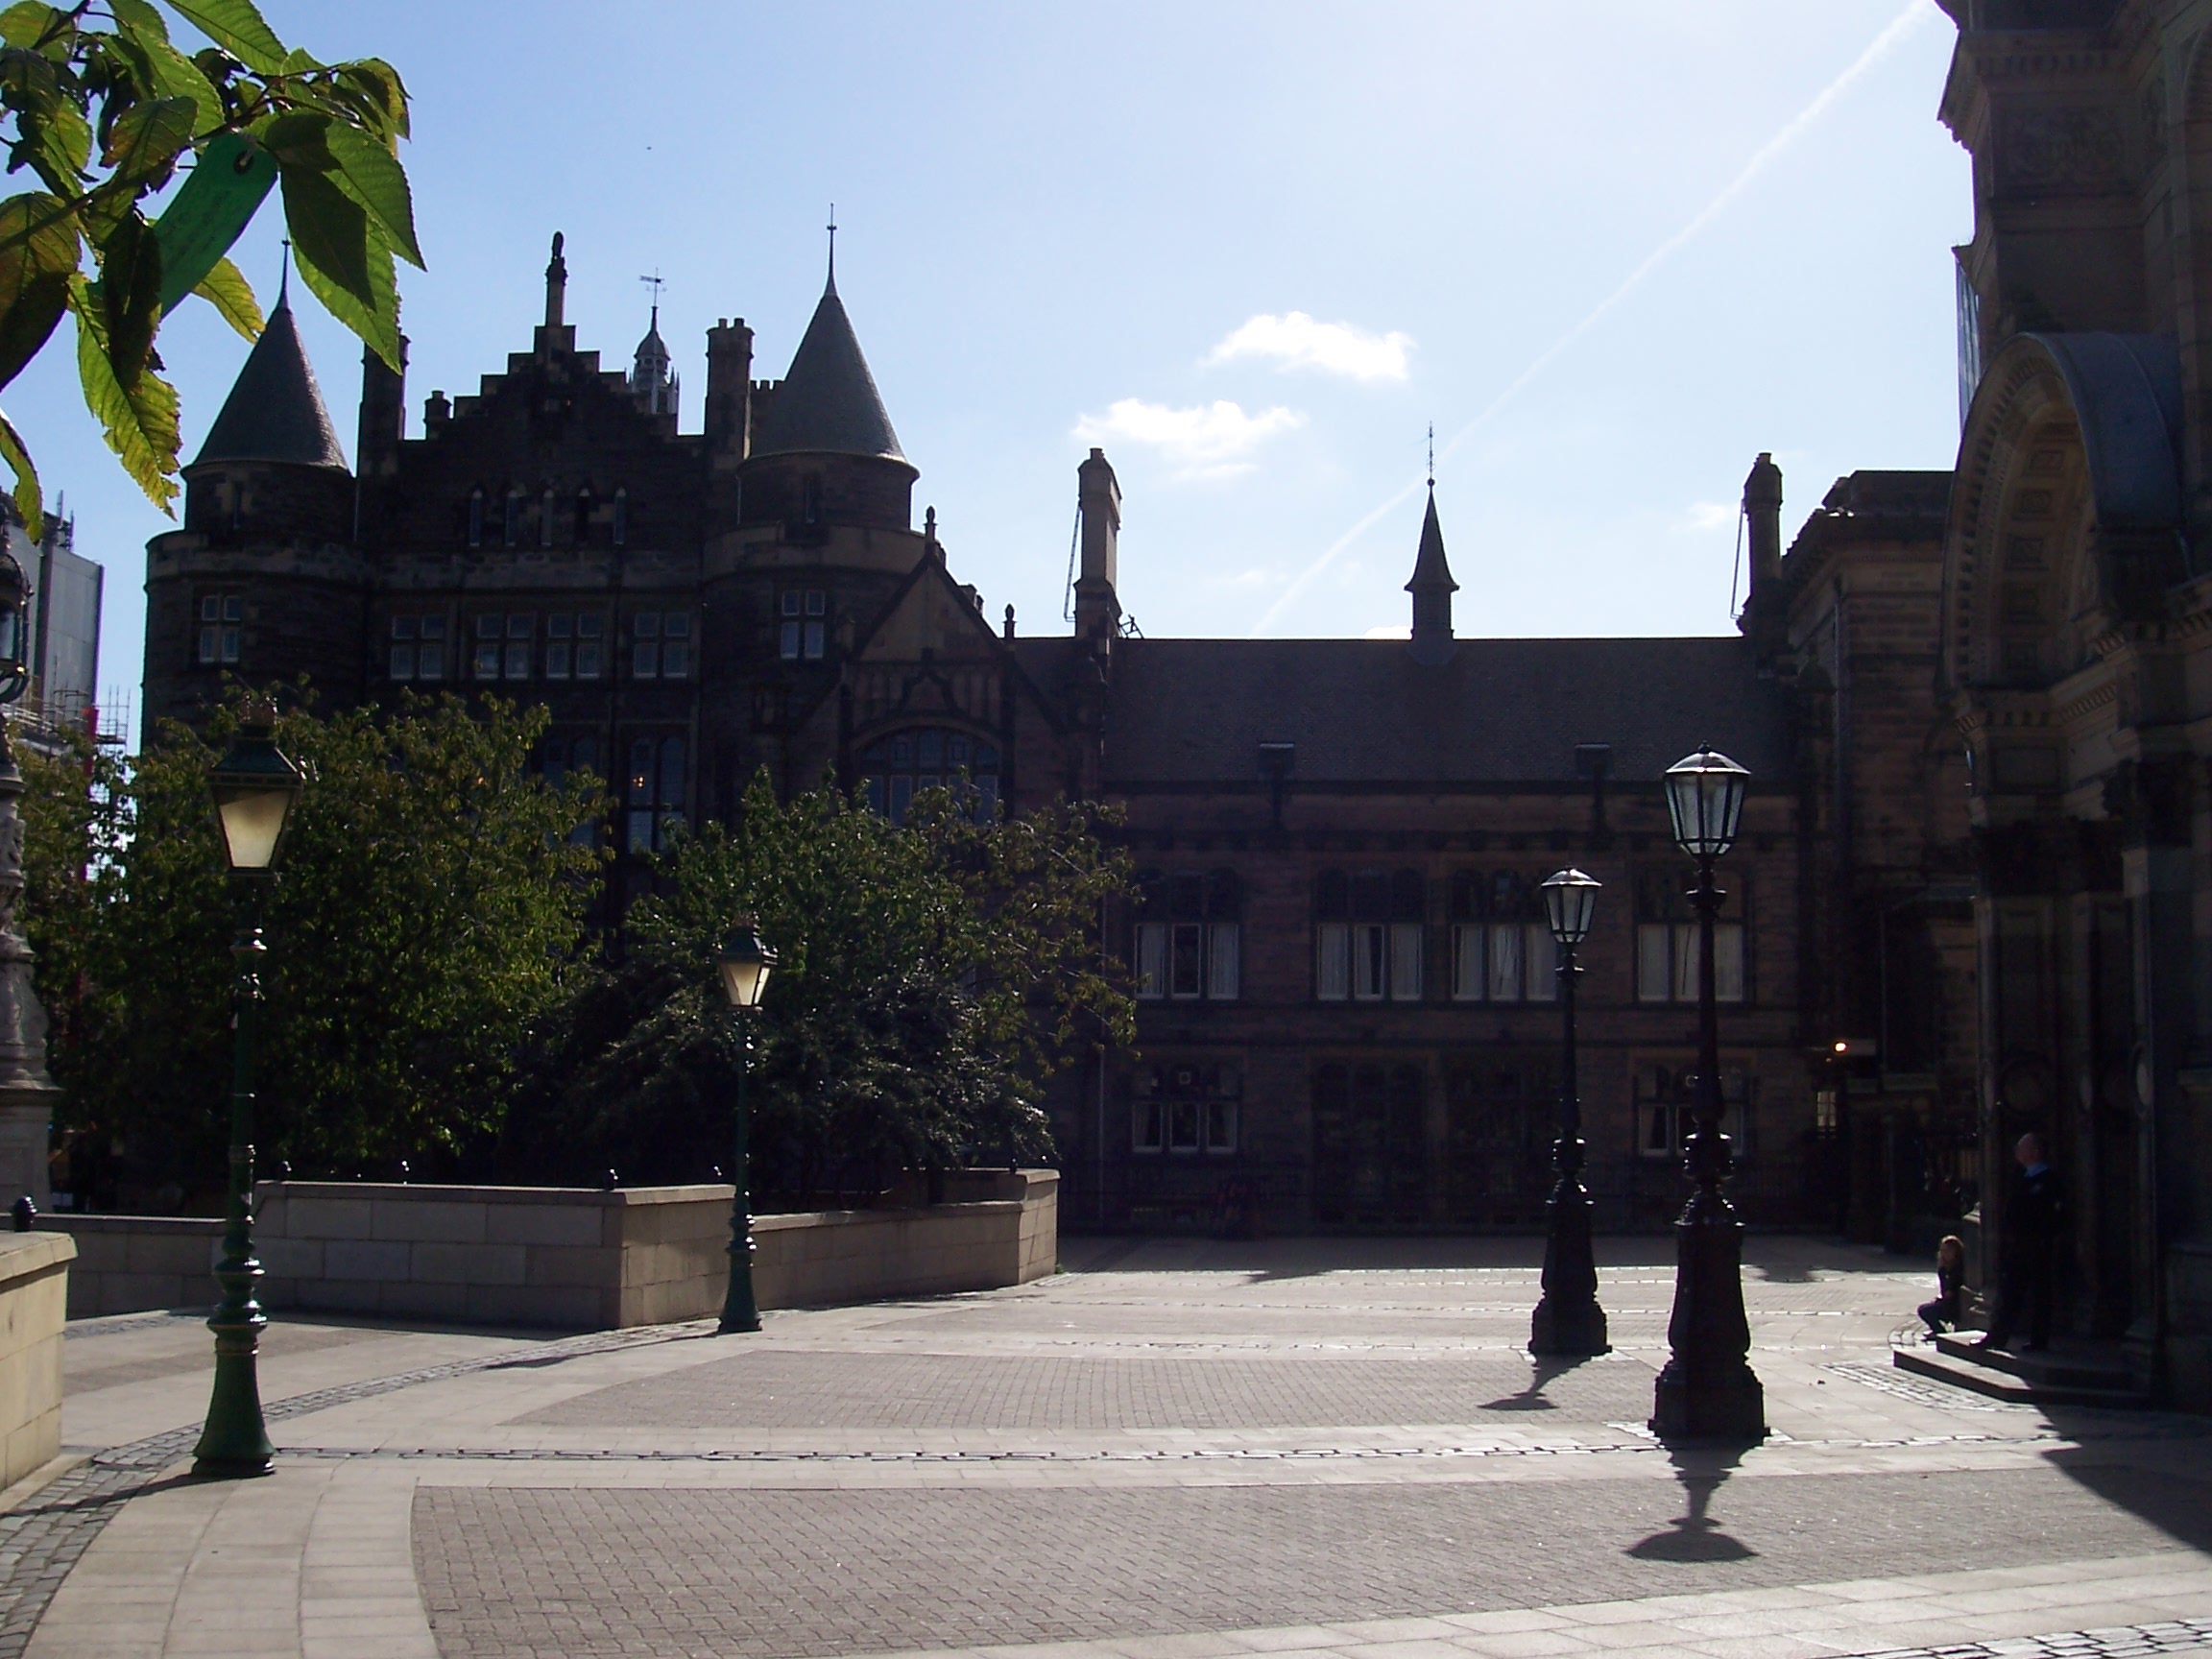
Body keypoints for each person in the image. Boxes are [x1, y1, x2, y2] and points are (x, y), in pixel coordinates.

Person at [1977, 1133, 2060, 1353]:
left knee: (2040, 1294)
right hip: (2019, 1244)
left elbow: (2051, 1214)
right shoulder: (2021, 1176)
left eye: (2022, 1148)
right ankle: (1998, 1335)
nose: (2017, 1152)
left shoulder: (2048, 1180)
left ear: (2035, 1152)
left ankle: (2038, 1340)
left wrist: (2043, 1238)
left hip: (2038, 1245)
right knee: (2010, 1291)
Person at [1917, 1234, 1966, 1338]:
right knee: (1926, 1308)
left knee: (1925, 1310)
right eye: (1943, 1250)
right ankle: (1937, 1331)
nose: (1944, 1254)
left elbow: (1950, 1291)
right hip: (1950, 1303)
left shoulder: (1959, 1269)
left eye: (1948, 1251)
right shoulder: (1945, 1268)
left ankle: (1940, 1332)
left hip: (1957, 1305)